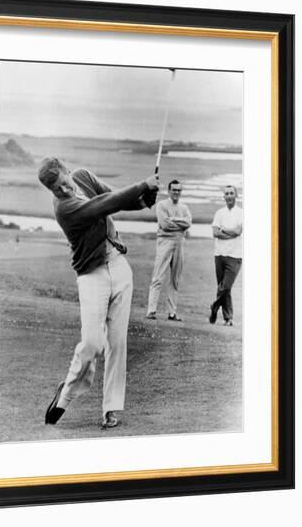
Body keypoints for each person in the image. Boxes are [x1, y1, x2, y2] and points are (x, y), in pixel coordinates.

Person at [38, 157, 159, 428]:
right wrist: (142, 184)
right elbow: (102, 206)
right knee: (92, 343)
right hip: (92, 275)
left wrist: (142, 200)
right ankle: (65, 395)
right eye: (57, 189)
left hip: (118, 266)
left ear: (68, 171)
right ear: (52, 191)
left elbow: (112, 195)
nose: (65, 190)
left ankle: (112, 409)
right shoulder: (65, 208)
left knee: (118, 343)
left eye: (64, 182)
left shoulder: (83, 176)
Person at [146, 180, 192, 322]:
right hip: (165, 242)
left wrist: (174, 220)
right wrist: (180, 224)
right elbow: (165, 224)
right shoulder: (162, 205)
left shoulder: (184, 207)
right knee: (158, 276)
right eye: (174, 190)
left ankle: (172, 313)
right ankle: (151, 310)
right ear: (169, 190)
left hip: (180, 243)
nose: (176, 193)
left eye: (179, 190)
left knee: (175, 279)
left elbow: (188, 223)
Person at [209, 185, 243, 326]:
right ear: (224, 197)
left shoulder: (242, 213)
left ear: (236, 196)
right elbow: (215, 233)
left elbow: (237, 231)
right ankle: (228, 318)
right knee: (224, 288)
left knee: (225, 286)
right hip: (219, 254)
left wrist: (224, 230)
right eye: (226, 194)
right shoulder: (219, 213)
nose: (229, 196)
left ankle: (214, 306)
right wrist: (228, 233)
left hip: (235, 255)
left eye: (231, 193)